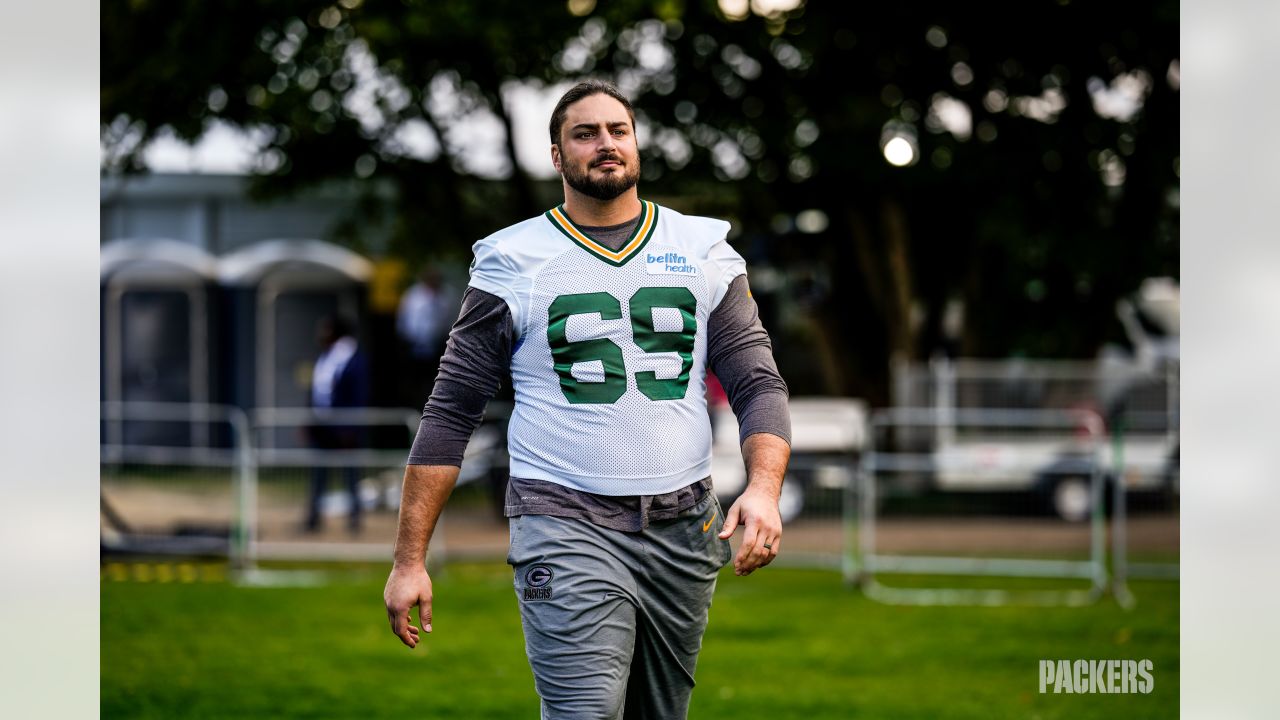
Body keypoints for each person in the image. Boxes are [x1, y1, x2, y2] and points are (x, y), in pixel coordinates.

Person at [383, 80, 791, 718]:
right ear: (556, 155)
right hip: (562, 514)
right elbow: (451, 411)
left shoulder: (702, 248)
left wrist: (763, 487)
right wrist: (410, 560)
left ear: (635, 144)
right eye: (585, 132)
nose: (605, 144)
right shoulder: (512, 259)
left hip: (684, 519)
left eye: (617, 130)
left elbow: (756, 381)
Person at [305, 314, 369, 533]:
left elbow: (358, 395)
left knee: (350, 474)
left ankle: (354, 518)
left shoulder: (353, 358)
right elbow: (317, 391)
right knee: (318, 472)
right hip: (323, 425)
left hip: (344, 427)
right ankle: (313, 517)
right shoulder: (325, 357)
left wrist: (350, 427)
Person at [396, 265, 453, 405]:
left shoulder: (445, 296)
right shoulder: (413, 295)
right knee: (412, 384)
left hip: (436, 348)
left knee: (434, 383)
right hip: (412, 347)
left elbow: (447, 322)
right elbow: (404, 320)